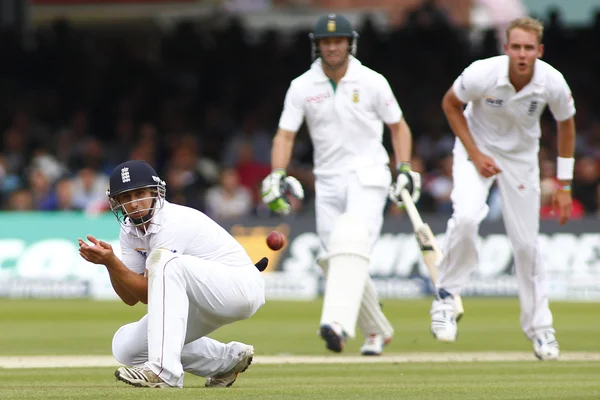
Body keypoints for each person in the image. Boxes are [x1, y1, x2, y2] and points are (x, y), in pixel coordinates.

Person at [261, 13, 421, 356]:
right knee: (333, 258)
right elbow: (285, 135)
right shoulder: (302, 86)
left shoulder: (373, 80)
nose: (332, 47)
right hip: (329, 181)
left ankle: (335, 324)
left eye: (338, 41)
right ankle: (377, 330)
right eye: (326, 42)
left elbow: (399, 127)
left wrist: (404, 167)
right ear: (317, 46)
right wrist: (277, 173)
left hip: (369, 174)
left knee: (350, 240)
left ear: (350, 43)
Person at [431, 17, 576, 361]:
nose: (522, 54)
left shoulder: (551, 81)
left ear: (539, 51)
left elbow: (566, 125)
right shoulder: (483, 72)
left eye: (529, 48)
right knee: (466, 218)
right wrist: (476, 153)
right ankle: (446, 299)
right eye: (516, 47)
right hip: (474, 148)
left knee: (527, 245)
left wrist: (565, 183)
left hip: (521, 158)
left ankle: (541, 331)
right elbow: (450, 104)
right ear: (506, 48)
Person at [78, 160, 265, 388]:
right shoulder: (129, 230)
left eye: (139, 194)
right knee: (127, 347)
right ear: (116, 202)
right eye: (126, 198)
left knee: (165, 262)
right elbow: (131, 298)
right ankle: (227, 361)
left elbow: (149, 293)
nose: (134, 203)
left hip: (239, 287)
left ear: (155, 192)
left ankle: (165, 372)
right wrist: (110, 263)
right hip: (199, 297)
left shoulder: (171, 221)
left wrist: (113, 262)